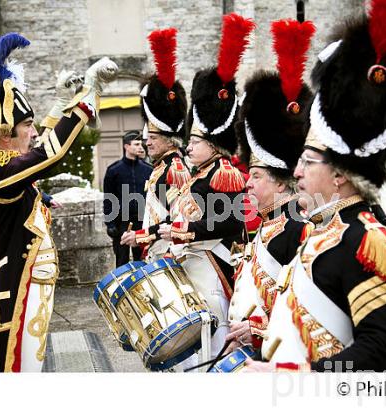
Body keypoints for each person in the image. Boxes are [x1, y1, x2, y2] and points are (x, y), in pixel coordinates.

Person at [244, 0, 386, 372]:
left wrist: (310, 376)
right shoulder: (323, 231)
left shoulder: (367, 242)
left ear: (339, 174)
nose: (297, 171)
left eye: (308, 162)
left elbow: (384, 348)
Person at [0, 33, 118, 372]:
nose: (32, 131)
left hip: (21, 288)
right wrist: (87, 96)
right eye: (26, 125)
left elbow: (34, 151)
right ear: (5, 132)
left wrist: (60, 105)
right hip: (11, 295)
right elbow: (47, 155)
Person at [155, 13, 255, 362]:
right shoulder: (198, 174)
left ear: (214, 144)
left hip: (214, 261)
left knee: (214, 333)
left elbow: (230, 222)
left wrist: (184, 232)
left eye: (195, 141)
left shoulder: (223, 174)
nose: (189, 147)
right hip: (193, 261)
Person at [224, 18, 314, 354]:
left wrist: (259, 330)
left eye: (256, 176)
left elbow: (302, 309)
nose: (247, 183)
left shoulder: (297, 230)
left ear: (280, 184)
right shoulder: (269, 223)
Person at [120, 28, 191, 259]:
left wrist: (141, 235)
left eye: (152, 137)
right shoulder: (162, 166)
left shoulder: (175, 170)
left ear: (168, 139)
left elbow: (176, 217)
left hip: (169, 252)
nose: (146, 143)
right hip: (157, 251)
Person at [103, 130, 152, 266]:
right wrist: (110, 223)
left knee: (142, 260)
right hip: (121, 222)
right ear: (126, 146)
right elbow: (108, 198)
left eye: (141, 144)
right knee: (121, 260)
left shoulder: (148, 170)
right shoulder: (113, 170)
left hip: (142, 221)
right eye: (136, 144)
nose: (140, 147)